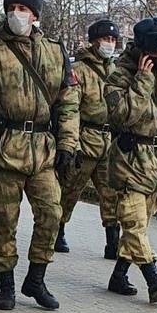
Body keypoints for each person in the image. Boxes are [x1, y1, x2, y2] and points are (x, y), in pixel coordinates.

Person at [0, 0, 79, 311]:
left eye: (23, 9)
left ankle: (36, 278)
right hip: (6, 149)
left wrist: (68, 142)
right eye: (11, 8)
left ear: (35, 14)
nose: (17, 14)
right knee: (5, 219)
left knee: (51, 213)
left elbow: (69, 101)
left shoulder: (56, 53)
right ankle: (7, 284)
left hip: (44, 150)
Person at [103, 16, 157, 303]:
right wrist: (142, 81)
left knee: (140, 225)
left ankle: (118, 275)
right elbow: (123, 115)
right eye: (153, 54)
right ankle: (154, 278)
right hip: (130, 161)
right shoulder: (118, 76)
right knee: (134, 224)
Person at [56, 19, 122, 260]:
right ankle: (58, 230)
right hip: (84, 139)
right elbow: (71, 107)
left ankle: (112, 240)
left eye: (113, 40)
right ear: (94, 41)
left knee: (110, 193)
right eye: (105, 39)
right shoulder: (79, 70)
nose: (109, 44)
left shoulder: (115, 71)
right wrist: (71, 143)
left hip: (108, 141)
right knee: (70, 189)